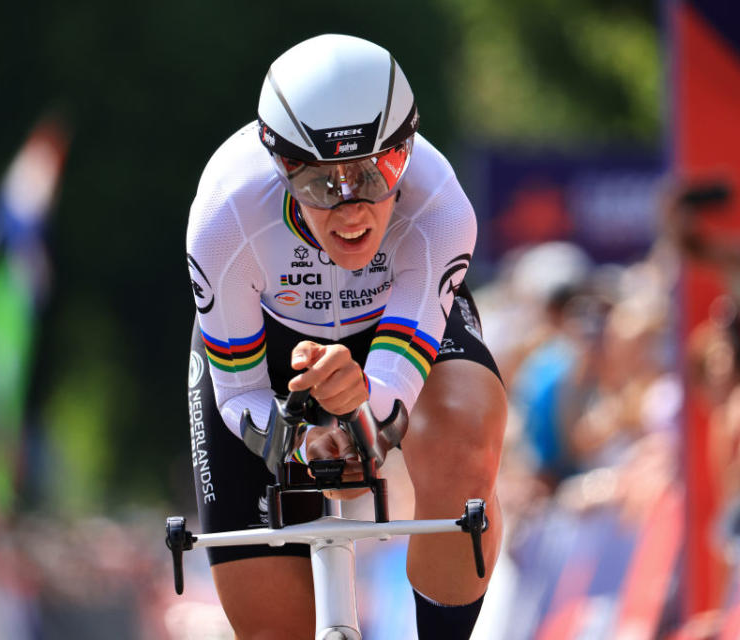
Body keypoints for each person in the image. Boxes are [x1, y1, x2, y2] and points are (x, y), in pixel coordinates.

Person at [185, 34, 507, 640]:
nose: (351, 208)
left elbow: (387, 398)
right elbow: (239, 397)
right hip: (268, 352)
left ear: (405, 154)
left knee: (465, 438)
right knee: (273, 626)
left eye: (373, 174)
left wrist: (358, 415)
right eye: (319, 185)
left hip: (392, 328)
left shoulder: (440, 207)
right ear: (281, 166)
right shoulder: (224, 216)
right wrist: (306, 442)